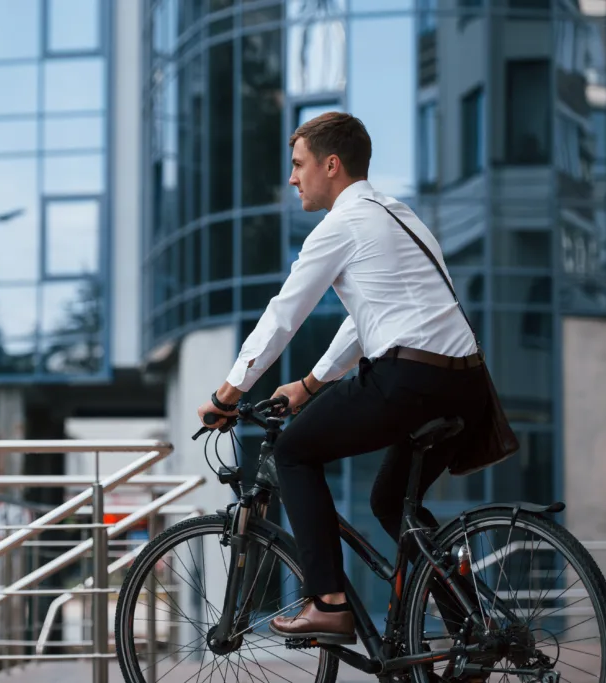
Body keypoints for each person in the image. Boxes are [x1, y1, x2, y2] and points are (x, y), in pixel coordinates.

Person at [196, 112, 490, 644]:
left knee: (293, 453)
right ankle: (471, 629)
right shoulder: (401, 217)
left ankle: (328, 602)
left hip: (410, 378)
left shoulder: (342, 225)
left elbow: (284, 314)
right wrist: (310, 385)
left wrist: (228, 392)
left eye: (298, 165)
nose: (292, 178)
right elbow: (367, 319)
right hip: (467, 385)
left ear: (331, 165)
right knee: (389, 502)